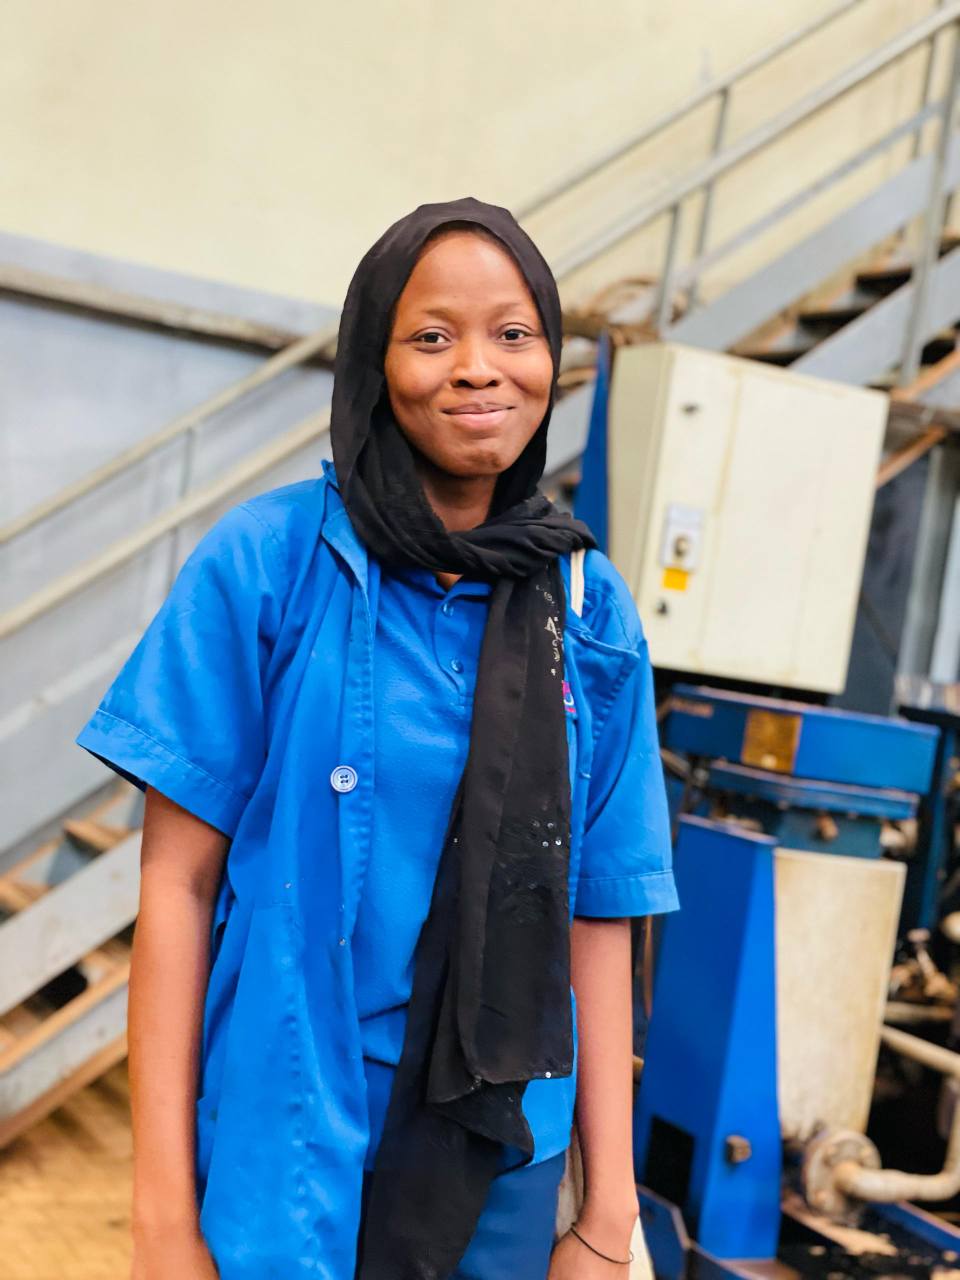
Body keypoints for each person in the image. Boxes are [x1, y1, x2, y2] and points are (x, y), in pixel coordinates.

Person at [76, 196, 679, 1280]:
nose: (478, 368)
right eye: (432, 335)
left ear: (551, 359)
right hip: (289, 1122)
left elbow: (599, 910)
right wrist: (160, 1217)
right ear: (374, 362)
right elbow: (175, 888)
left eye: (514, 333)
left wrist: (608, 1210)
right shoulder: (270, 566)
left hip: (502, 1147)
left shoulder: (590, 610)